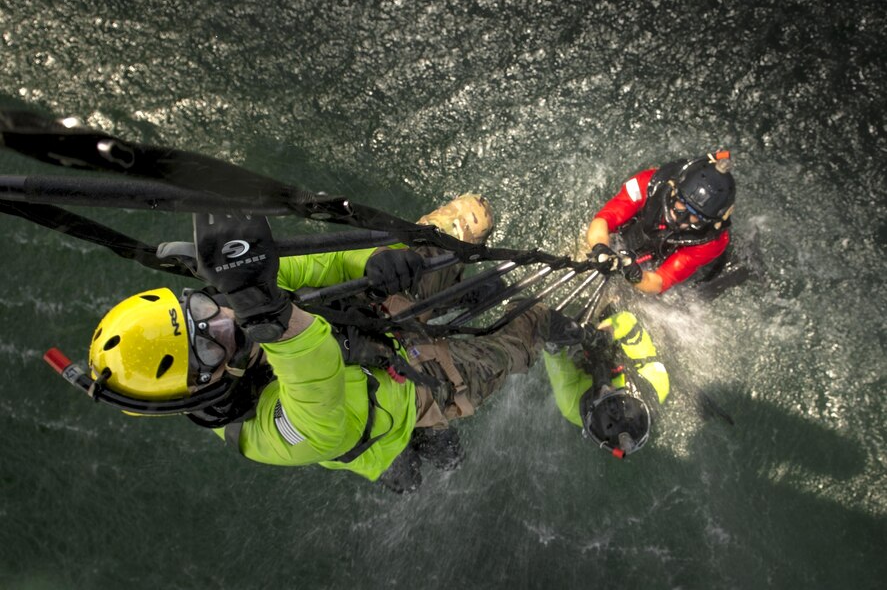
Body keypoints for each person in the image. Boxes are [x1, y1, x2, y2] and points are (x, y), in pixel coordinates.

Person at [84, 194, 552, 493]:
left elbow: (313, 268)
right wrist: (268, 316)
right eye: (208, 348)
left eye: (200, 313)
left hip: (371, 319)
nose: (225, 322)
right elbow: (318, 388)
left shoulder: (234, 295)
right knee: (523, 334)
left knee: (469, 215)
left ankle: (423, 436)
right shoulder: (266, 436)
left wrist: (375, 259)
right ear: (199, 387)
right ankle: (554, 326)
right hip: (407, 393)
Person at [584, 151, 736, 295]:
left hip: (688, 267)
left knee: (633, 296)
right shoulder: (647, 183)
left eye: (695, 216)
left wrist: (636, 276)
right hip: (647, 234)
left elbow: (661, 281)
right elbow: (605, 219)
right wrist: (600, 248)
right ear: (674, 191)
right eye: (682, 205)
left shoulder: (711, 241)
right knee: (586, 250)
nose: (681, 219)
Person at [542, 310, 670, 458]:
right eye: (615, 393)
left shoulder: (571, 404)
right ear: (633, 396)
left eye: (601, 396)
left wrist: (557, 340)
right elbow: (630, 322)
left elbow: (554, 355)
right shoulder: (656, 381)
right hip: (615, 343)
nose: (605, 387)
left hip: (582, 360)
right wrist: (605, 334)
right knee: (610, 308)